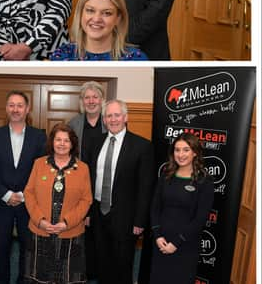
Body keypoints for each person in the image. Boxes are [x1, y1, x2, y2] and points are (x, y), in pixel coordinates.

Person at [87, 99, 155, 284]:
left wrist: (140, 221)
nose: (113, 119)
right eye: (109, 115)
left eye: (117, 115)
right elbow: (88, 181)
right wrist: (87, 212)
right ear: (104, 119)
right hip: (99, 213)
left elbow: (145, 187)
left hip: (126, 217)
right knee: (102, 261)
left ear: (125, 117)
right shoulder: (95, 142)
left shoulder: (142, 146)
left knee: (123, 264)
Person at [0, 91, 46, 284]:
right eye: (11, 105)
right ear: (6, 109)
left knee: (28, 250)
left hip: (29, 204)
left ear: (27, 109)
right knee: (1, 249)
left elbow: (41, 170)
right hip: (1, 203)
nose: (16, 109)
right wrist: (6, 194)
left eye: (20, 105)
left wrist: (23, 194)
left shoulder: (39, 136)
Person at [23, 123, 92, 284]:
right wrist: (40, 220)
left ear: (72, 144)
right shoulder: (39, 164)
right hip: (41, 230)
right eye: (58, 139)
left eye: (66, 140)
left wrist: (66, 223)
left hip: (70, 232)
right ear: (52, 142)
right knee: (39, 277)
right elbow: (29, 193)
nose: (62, 144)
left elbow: (86, 200)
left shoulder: (83, 168)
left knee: (68, 278)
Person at [149, 133, 214, 284]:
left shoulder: (204, 180)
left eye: (186, 150)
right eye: (177, 150)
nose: (181, 154)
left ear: (195, 152)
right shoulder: (166, 174)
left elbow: (200, 218)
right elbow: (155, 207)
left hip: (185, 245)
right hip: (161, 243)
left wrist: (176, 243)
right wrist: (158, 236)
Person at [68, 81, 106, 283]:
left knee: (100, 229)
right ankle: (81, 271)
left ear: (101, 100)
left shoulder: (110, 122)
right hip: (80, 183)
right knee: (81, 228)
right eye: (87, 97)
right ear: (82, 101)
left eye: (95, 97)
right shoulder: (73, 124)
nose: (91, 101)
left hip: (104, 184)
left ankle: (98, 271)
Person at [51, 0, 148, 61]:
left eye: (107, 13)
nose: (97, 19)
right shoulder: (61, 56)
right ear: (80, 14)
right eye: (90, 10)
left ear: (118, 18)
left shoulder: (135, 59)